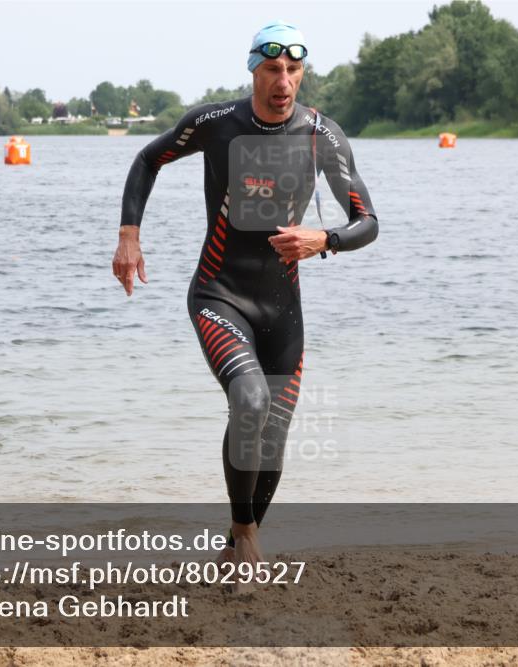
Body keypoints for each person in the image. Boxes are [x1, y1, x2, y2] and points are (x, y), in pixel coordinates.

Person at [112, 21, 378, 585]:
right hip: (219, 293)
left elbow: (368, 222)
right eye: (273, 69)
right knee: (250, 400)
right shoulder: (217, 123)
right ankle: (247, 533)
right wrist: (129, 235)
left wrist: (324, 239)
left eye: (293, 70)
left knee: (274, 432)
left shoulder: (322, 136)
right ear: (254, 70)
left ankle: (236, 546)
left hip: (282, 309)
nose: (284, 82)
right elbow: (148, 159)